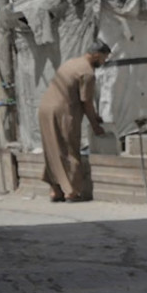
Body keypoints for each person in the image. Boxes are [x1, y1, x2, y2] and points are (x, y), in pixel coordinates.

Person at [36, 42, 109, 203]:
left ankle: (55, 190)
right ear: (97, 55)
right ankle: (72, 191)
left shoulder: (71, 63)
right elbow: (86, 102)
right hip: (63, 112)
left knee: (53, 150)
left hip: (45, 109)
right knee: (70, 149)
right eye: (104, 58)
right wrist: (96, 126)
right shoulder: (87, 72)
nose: (104, 62)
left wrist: (95, 117)